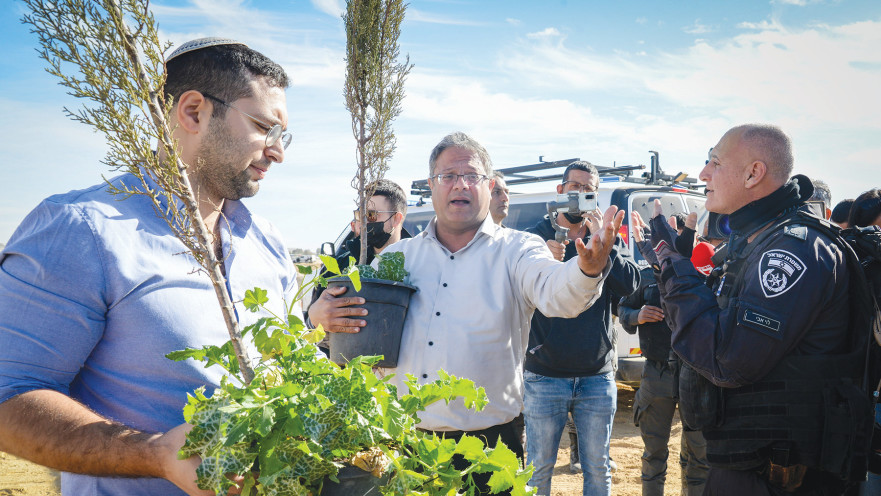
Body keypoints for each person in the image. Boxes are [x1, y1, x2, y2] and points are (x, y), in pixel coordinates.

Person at [0, 38, 296, 496]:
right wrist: (154, 454)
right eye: (264, 127)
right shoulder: (82, 230)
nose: (278, 152)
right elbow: (9, 396)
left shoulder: (268, 243)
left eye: (283, 137)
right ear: (193, 112)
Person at [309, 131, 625, 493]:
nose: (459, 185)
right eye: (448, 176)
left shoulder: (518, 249)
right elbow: (353, 329)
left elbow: (558, 293)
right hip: (409, 448)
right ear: (432, 186)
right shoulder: (398, 258)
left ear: (489, 186)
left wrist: (587, 271)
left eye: (471, 176)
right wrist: (320, 318)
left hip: (490, 450)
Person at [650, 124, 864, 495]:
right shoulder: (755, 240)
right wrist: (674, 264)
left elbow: (728, 361)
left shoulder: (790, 249)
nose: (703, 174)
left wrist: (675, 270)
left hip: (779, 475)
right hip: (747, 466)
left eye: (714, 162)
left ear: (754, 173)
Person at [522, 161, 640, 496]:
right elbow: (509, 289)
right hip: (544, 374)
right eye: (574, 187)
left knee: (597, 467)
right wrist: (541, 259)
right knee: (537, 469)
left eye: (589, 190)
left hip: (596, 375)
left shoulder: (604, 237)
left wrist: (605, 245)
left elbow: (630, 285)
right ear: (560, 191)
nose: (580, 195)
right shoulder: (533, 237)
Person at [621, 214, 709, 496]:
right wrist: (637, 315)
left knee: (699, 455)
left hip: (695, 376)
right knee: (653, 453)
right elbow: (622, 309)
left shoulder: (701, 274)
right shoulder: (644, 275)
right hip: (656, 373)